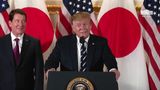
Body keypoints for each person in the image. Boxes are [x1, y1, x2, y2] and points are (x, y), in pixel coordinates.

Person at [45, 12, 120, 80]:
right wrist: (50, 69)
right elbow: (52, 61)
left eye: (85, 24)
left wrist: (113, 69)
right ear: (73, 27)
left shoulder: (101, 42)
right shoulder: (63, 43)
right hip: (69, 83)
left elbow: (110, 60)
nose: (82, 28)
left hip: (94, 82)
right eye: (78, 25)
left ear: (90, 25)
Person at [0, 9, 44, 90]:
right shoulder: (1, 43)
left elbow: (39, 71)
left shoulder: (34, 43)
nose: (20, 24)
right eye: (17, 21)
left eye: (23, 21)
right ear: (10, 23)